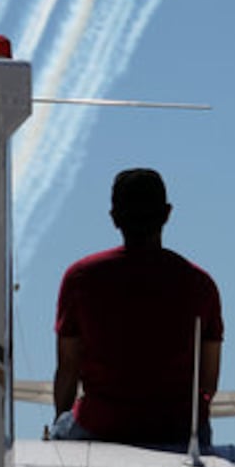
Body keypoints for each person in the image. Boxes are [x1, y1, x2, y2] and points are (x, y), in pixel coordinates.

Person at [52, 168, 223, 449]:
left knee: (60, 429)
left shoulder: (80, 277)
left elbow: (68, 368)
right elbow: (208, 383)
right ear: (167, 214)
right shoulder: (200, 284)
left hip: (99, 425)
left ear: (114, 217)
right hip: (179, 430)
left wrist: (62, 417)